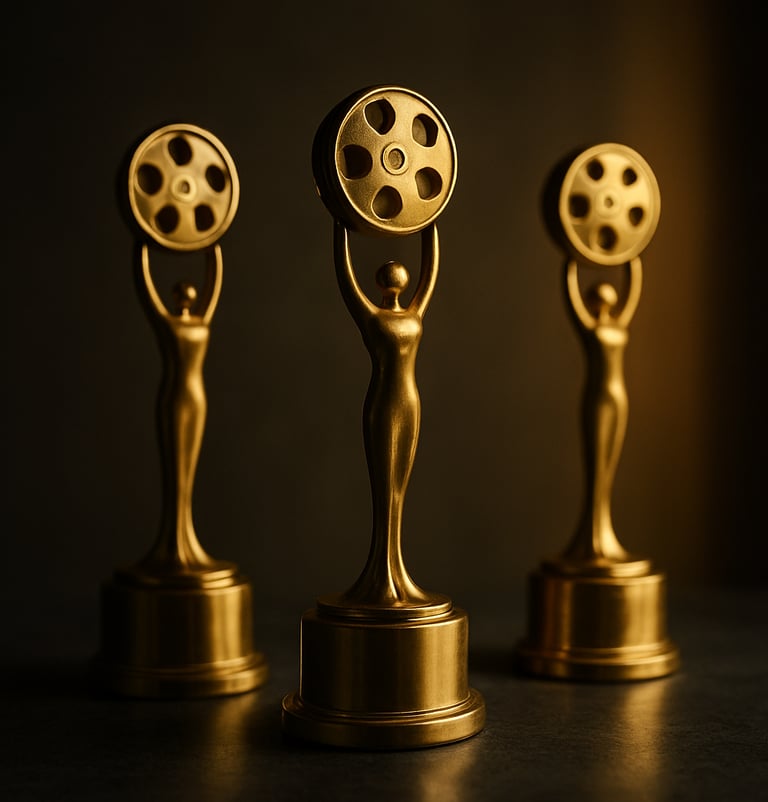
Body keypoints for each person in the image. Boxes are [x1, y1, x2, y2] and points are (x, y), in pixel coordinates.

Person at [333, 222, 444, 608]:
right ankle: (380, 569)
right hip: (380, 403)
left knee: (400, 481)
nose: (396, 279)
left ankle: (394, 568)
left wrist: (431, 221)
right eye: (392, 276)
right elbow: (346, 277)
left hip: (409, 402)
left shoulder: (414, 310)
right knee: (383, 480)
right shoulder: (373, 316)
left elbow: (431, 272)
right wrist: (340, 225)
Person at [133, 244, 228, 578]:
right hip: (173, 396)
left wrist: (213, 247)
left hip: (195, 396)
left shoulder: (202, 317)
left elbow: (214, 283)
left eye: (189, 292)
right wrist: (142, 249)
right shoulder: (169, 322)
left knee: (189, 456)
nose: (187, 296)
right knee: (174, 458)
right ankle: (174, 535)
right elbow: (147, 291)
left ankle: (184, 536)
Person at [561, 257, 648, 571]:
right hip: (595, 397)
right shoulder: (590, 326)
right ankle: (593, 531)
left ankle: (604, 530)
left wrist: (632, 257)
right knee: (596, 455)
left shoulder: (617, 323)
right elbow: (571, 296)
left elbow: (633, 291)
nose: (606, 300)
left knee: (612, 456)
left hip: (617, 395)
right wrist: (573, 259)